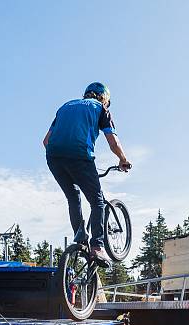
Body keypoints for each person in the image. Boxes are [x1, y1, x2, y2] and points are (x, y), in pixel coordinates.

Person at [44, 82, 131, 263]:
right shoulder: (101, 109)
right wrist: (123, 159)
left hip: (53, 157)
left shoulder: (65, 107)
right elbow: (113, 141)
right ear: (104, 98)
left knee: (73, 196)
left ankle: (80, 237)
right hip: (80, 155)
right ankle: (97, 246)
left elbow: (46, 141)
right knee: (97, 202)